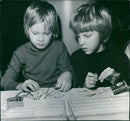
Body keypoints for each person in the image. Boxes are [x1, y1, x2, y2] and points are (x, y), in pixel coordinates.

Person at [1, 0, 74, 92]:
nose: (41, 39)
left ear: (54, 31)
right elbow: (4, 80)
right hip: (32, 95)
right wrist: (19, 86)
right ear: (27, 30)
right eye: (35, 33)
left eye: (46, 33)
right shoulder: (20, 52)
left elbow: (74, 77)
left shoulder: (59, 47)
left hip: (56, 93)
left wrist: (68, 75)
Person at [69, 0, 130, 89]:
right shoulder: (76, 58)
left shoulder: (119, 58)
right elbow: (75, 91)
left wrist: (115, 79)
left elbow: (126, 93)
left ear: (103, 34)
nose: (81, 42)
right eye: (78, 37)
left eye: (87, 36)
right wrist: (85, 86)